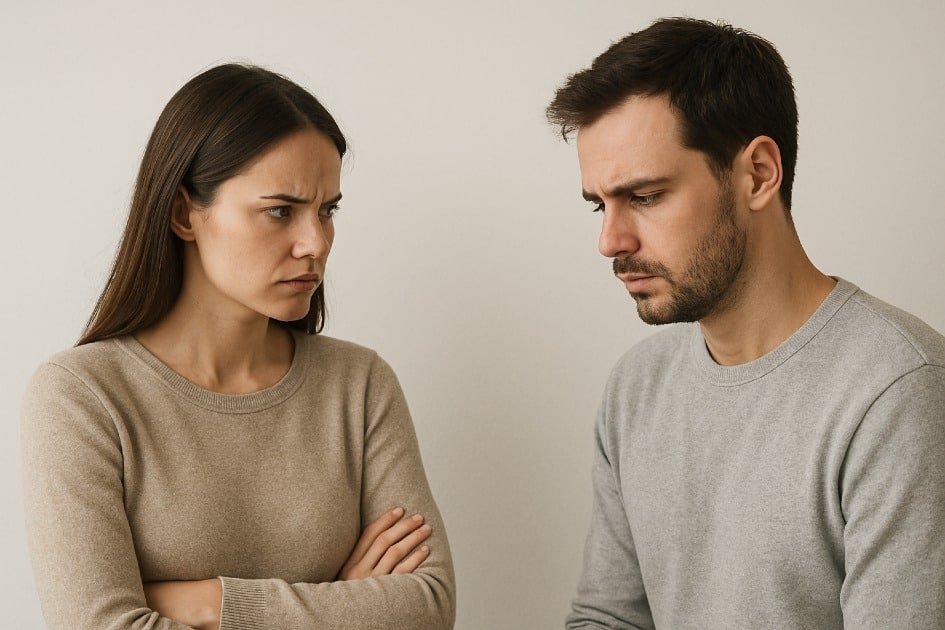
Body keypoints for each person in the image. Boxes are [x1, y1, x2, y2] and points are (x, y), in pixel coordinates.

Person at [21, 64, 455, 629]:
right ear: (184, 214)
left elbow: (429, 609)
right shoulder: (82, 398)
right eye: (280, 210)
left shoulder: (360, 385)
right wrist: (340, 601)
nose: (316, 242)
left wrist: (212, 605)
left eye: (328, 210)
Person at [546, 17, 945, 629]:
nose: (609, 239)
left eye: (645, 197)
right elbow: (609, 619)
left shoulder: (898, 392)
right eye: (601, 205)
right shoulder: (636, 388)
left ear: (758, 173)